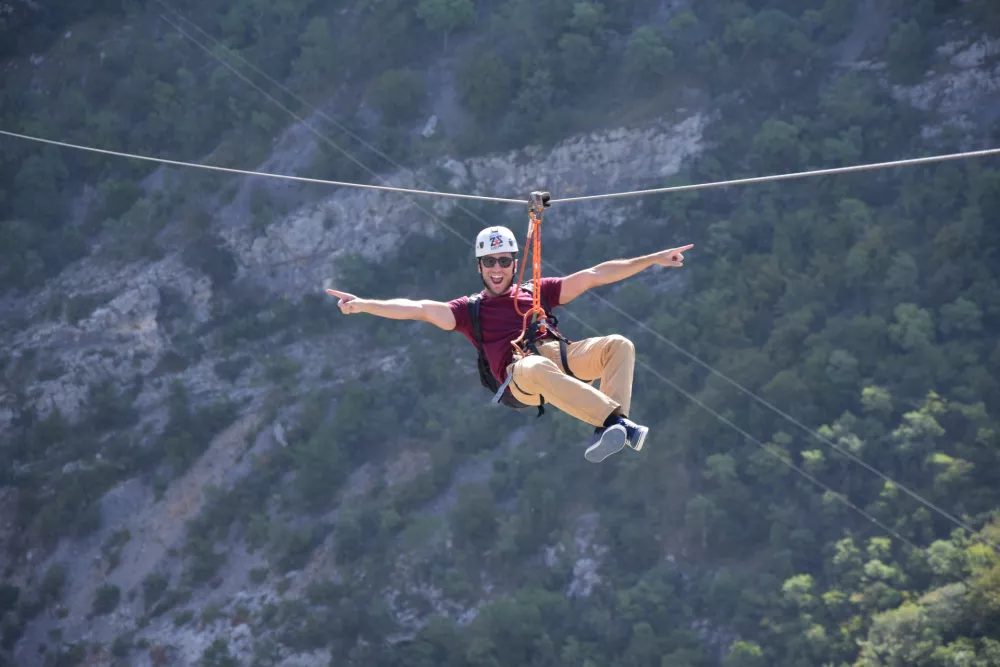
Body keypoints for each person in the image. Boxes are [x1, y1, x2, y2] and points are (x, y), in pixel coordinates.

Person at [327, 225, 693, 463]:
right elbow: (418, 309)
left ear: (515, 263)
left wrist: (653, 260)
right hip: (519, 381)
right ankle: (615, 422)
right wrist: (364, 305)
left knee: (619, 345)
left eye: (503, 260)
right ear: (480, 267)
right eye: (489, 262)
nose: (497, 268)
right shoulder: (469, 311)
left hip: (555, 358)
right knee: (534, 365)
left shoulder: (537, 291)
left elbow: (596, 274)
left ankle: (612, 425)